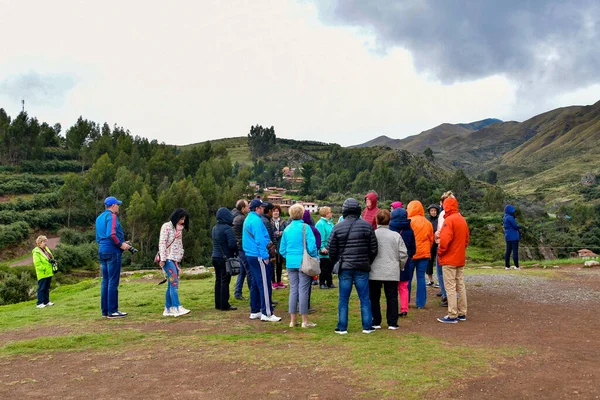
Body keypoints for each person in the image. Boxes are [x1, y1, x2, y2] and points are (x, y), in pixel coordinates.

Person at [329, 198, 378, 334]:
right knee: (364, 298)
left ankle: (342, 327)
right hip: (362, 266)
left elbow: (331, 248)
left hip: (345, 267)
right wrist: (367, 261)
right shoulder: (367, 226)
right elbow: (374, 248)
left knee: (343, 298)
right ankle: (367, 326)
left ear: (344, 210)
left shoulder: (338, 227)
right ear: (358, 210)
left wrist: (336, 262)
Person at [279, 204, 318, 328]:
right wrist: (312, 256)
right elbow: (312, 246)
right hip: (303, 262)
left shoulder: (287, 229)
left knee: (293, 290)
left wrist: (289, 256)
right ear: (301, 214)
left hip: (291, 262)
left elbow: (282, 249)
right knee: (303, 290)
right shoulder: (306, 228)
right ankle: (305, 321)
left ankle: (293, 320)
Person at [243, 199, 281, 322]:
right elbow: (260, 240)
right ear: (257, 208)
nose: (263, 209)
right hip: (258, 255)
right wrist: (265, 256)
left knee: (255, 282)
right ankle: (267, 313)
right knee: (265, 284)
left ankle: (255, 310)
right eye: (261, 207)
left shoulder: (248, 219)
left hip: (250, 254)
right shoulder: (256, 221)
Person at [369, 210, 408, 330]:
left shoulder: (372, 234)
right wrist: (400, 266)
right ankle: (392, 322)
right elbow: (403, 253)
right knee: (391, 297)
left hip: (374, 271)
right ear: (389, 220)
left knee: (374, 297)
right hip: (391, 270)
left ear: (376, 220)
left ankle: (376, 321)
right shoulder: (396, 236)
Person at [96, 196, 131, 319]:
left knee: (105, 281)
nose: (118, 207)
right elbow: (111, 234)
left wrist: (121, 241)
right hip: (112, 251)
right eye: (117, 205)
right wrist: (121, 244)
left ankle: (105, 311)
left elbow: (101, 236)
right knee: (113, 281)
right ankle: (113, 311)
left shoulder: (99, 218)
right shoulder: (112, 216)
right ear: (113, 206)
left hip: (102, 250)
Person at [437, 197, 470, 323]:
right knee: (460, 285)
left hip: (449, 259)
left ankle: (452, 314)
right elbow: (466, 240)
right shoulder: (462, 219)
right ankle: (462, 312)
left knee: (450, 287)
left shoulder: (448, 220)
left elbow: (445, 241)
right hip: (460, 258)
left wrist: (440, 252)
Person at [158, 208, 191, 317]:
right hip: (167, 259)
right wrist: (163, 259)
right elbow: (162, 243)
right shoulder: (166, 227)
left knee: (170, 284)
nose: (182, 221)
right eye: (181, 219)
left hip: (175, 259)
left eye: (184, 219)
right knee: (174, 283)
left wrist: (178, 260)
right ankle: (177, 307)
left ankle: (168, 308)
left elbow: (179, 245)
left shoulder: (179, 229)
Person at [406, 200, 434, 309]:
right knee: (421, 278)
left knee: (408, 278)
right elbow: (431, 239)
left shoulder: (409, 221)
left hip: (411, 255)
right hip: (424, 255)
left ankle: (406, 301)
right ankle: (420, 303)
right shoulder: (427, 222)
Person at [390, 207, 416, 317]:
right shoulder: (409, 230)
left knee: (393, 288)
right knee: (404, 286)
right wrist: (409, 255)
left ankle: (393, 309)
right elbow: (413, 247)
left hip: (392, 260)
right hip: (406, 261)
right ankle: (404, 309)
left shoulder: (390, 229)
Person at [212, 207, 238, 311]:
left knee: (218, 280)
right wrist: (236, 250)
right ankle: (224, 304)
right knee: (225, 281)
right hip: (225, 258)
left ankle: (218, 303)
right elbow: (232, 244)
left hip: (215, 256)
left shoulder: (214, 228)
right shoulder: (227, 229)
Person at [435, 191, 455, 307]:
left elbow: (443, 232)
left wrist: (437, 237)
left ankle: (445, 295)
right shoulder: (458, 214)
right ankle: (452, 294)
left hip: (443, 247)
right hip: (454, 248)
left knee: (441, 272)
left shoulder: (443, 214)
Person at [232, 200, 252, 301]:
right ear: (242, 208)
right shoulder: (242, 219)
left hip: (238, 247)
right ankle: (253, 293)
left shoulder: (233, 216)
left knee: (242, 271)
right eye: (247, 206)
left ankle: (238, 292)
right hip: (242, 248)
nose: (249, 208)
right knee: (249, 271)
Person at [32, 235, 57, 308]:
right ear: (39, 243)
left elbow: (50, 258)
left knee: (47, 288)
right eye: (44, 242)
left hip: (49, 272)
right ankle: (39, 303)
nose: (45, 243)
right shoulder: (36, 252)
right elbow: (37, 264)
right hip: (42, 273)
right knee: (42, 288)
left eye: (46, 241)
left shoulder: (46, 249)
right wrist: (44, 269)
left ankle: (46, 301)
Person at [315, 206, 335, 289]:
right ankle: (322, 283)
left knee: (330, 267)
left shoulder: (330, 222)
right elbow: (320, 237)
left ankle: (330, 282)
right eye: (330, 212)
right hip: (324, 250)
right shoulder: (320, 224)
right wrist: (322, 247)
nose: (331, 213)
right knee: (324, 268)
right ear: (326, 214)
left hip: (330, 248)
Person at [302, 210, 321, 288]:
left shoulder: (296, 228)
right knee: (313, 267)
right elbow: (318, 242)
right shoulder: (313, 229)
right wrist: (314, 251)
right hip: (312, 252)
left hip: (300, 254)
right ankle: (315, 279)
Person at [271, 205, 287, 289]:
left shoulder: (283, 221)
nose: (276, 212)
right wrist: (276, 233)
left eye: (277, 211)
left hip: (281, 245)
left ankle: (279, 280)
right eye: (274, 211)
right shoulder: (269, 221)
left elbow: (287, 230)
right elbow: (269, 232)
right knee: (272, 264)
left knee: (279, 264)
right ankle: (273, 281)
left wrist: (282, 232)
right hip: (272, 246)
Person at [503, 204, 521, 270]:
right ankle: (516, 266)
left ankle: (507, 266)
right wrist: (519, 226)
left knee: (508, 251)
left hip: (507, 236)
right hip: (514, 236)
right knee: (515, 251)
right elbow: (515, 226)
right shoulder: (510, 217)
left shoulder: (504, 217)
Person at [426, 204, 440, 287]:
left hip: (438, 244)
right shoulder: (426, 220)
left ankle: (439, 280)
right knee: (429, 262)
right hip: (429, 244)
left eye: (435, 211)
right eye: (432, 211)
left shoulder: (439, 220)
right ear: (429, 212)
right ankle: (430, 280)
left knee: (439, 262)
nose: (433, 212)